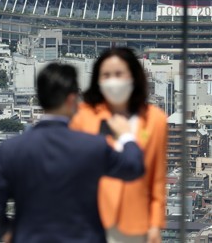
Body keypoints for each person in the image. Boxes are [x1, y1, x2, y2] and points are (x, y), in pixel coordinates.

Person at [0, 63, 145, 243]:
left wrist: (9, 233)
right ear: (71, 99)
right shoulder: (92, 146)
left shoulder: (10, 150)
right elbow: (133, 167)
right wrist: (126, 135)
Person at [70, 47, 168, 243]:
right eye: (106, 75)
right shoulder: (84, 116)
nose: (112, 80)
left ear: (133, 76)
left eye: (118, 74)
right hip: (91, 217)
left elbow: (156, 177)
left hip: (135, 221)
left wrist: (156, 224)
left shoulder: (155, 119)